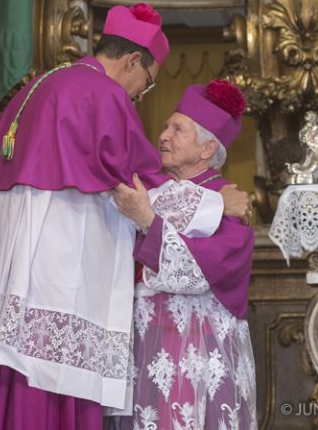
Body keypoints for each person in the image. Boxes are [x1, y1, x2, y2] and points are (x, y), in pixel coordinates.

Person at [0, 4, 252, 429]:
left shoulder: (44, 84)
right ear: (132, 61)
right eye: (147, 82)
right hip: (57, 290)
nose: (141, 96)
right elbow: (139, 184)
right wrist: (217, 203)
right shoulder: (101, 94)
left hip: (23, 288)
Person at [114, 79, 257, 429]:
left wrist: (148, 222)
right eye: (166, 126)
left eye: (178, 129)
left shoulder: (232, 206)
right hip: (143, 339)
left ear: (208, 148)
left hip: (199, 345)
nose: (163, 136)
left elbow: (196, 273)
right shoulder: (148, 186)